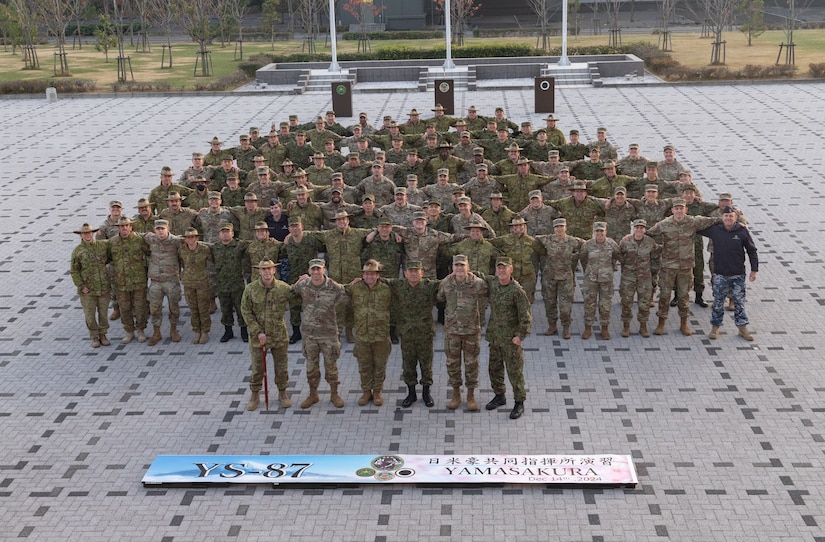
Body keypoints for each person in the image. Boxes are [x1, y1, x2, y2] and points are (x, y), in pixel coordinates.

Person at [647, 199, 721, 336]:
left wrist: (738, 220)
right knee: (664, 295)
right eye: (677, 208)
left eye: (682, 208)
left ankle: (684, 324)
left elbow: (715, 220)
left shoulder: (693, 222)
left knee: (684, 296)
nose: (679, 211)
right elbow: (648, 235)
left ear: (686, 210)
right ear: (672, 210)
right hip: (668, 267)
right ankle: (661, 323)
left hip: (686, 268)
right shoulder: (664, 224)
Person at [291, 259, 348, 409]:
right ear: (309, 271)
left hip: (328, 334)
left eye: (319, 269)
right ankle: (313, 394)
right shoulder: (302, 285)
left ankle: (334, 394)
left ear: (324, 270)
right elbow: (290, 294)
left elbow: (346, 296)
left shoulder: (333, 287)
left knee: (331, 366)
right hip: (310, 335)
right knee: (311, 367)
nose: (316, 272)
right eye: (313, 270)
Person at [482, 257, 532, 420]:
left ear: (511, 269)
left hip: (511, 340)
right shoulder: (493, 283)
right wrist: (460, 271)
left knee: (514, 372)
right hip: (495, 337)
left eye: (505, 268)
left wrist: (520, 336)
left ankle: (519, 402)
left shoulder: (517, 291)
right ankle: (499, 395)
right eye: (499, 268)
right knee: (494, 369)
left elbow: (526, 317)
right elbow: (479, 275)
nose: (501, 271)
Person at [699, 207, 759, 341]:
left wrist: (754, 270)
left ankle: (742, 328)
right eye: (726, 216)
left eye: (731, 216)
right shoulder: (715, 230)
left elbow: (752, 251)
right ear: (722, 217)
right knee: (718, 302)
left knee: (739, 302)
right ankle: (715, 327)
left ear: (736, 218)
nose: (728, 218)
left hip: (738, 274)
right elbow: (696, 226)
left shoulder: (742, 231)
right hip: (720, 274)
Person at [437, 254, 488, 411]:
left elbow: (488, 290)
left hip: (471, 331)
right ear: (452, 267)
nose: (459, 268)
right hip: (452, 332)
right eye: (457, 265)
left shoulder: (477, 283)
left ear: (468, 267)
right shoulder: (446, 283)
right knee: (453, 363)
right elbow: (439, 298)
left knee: (471, 363)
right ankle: (456, 394)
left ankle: (471, 395)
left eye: (462, 265)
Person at [241, 260, 293, 411]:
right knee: (257, 368)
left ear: (274, 270)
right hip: (259, 337)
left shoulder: (283, 288)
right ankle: (255, 394)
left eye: (269, 269)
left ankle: (282, 393)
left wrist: (303, 282)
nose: (267, 272)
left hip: (278, 335)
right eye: (263, 269)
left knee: (281, 367)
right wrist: (257, 331)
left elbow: (298, 298)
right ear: (259, 271)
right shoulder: (251, 289)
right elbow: (245, 311)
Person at [347, 260, 393, 407]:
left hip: (381, 335)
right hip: (362, 334)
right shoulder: (355, 288)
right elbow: (335, 289)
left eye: (373, 274)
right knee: (364, 365)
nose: (369, 277)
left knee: (380, 365)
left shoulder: (387, 289)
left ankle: (378, 391)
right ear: (362, 275)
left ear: (378, 275)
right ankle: (366, 391)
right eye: (366, 274)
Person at [534, 218, 584, 339]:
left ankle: (566, 328)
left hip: (565, 278)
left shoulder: (572, 241)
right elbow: (534, 239)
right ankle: (552, 326)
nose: (559, 229)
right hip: (549, 278)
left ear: (565, 228)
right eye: (557, 227)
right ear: (554, 228)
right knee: (549, 303)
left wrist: (576, 257)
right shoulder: (547, 239)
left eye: (561, 227)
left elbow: (586, 245)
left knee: (565, 306)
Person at [107, 217, 150, 344]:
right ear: (118, 228)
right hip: (121, 282)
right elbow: (108, 258)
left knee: (140, 307)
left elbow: (149, 252)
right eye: (121, 226)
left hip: (138, 281)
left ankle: (141, 330)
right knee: (124, 308)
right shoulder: (112, 242)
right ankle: (129, 331)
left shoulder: (139, 240)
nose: (124, 228)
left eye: (126, 226)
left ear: (131, 227)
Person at [142, 219, 184, 346]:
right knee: (154, 309)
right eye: (158, 229)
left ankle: (173, 330)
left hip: (172, 281)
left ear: (168, 229)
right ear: (155, 230)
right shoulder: (151, 239)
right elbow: (138, 235)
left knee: (174, 308)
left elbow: (191, 244)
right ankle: (156, 333)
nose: (160, 231)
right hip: (156, 282)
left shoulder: (176, 241)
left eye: (163, 228)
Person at [618, 219, 661, 338]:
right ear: (633, 228)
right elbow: (619, 254)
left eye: (641, 228)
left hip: (644, 278)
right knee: (626, 303)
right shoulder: (625, 241)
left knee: (644, 303)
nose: (639, 230)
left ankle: (643, 326)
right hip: (628, 277)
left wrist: (654, 271)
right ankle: (626, 327)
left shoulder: (650, 242)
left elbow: (656, 254)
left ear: (645, 229)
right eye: (637, 227)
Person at [70, 223, 111, 348]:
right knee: (90, 314)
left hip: (103, 287)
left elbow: (109, 258)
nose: (87, 235)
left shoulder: (102, 246)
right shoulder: (78, 251)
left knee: (103, 314)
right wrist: (81, 286)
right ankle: (94, 336)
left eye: (89, 233)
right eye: (84, 234)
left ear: (92, 233)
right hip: (88, 290)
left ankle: (103, 334)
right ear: (81, 235)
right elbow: (74, 271)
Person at [579, 222, 621, 340]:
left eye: (601, 231)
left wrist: (611, 268)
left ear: (605, 232)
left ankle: (604, 328)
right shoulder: (588, 244)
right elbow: (583, 258)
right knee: (589, 304)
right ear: (594, 232)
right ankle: (588, 328)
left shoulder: (611, 244)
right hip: (591, 280)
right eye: (597, 231)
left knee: (605, 305)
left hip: (606, 280)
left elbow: (618, 256)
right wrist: (588, 271)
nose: (599, 233)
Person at [211, 223, 249, 343]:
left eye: (228, 231)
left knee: (241, 309)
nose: (225, 234)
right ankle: (228, 332)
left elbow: (254, 244)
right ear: (219, 234)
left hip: (237, 284)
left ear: (232, 233)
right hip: (222, 284)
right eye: (223, 232)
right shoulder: (215, 248)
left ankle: (244, 331)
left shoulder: (239, 245)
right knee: (225, 309)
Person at [178, 228, 214, 344]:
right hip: (188, 282)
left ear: (197, 238)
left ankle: (205, 331)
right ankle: (197, 331)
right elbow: (181, 263)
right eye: (188, 237)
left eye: (193, 237)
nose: (190, 239)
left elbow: (213, 260)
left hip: (202, 282)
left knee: (203, 308)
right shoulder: (182, 250)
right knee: (193, 308)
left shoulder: (204, 249)